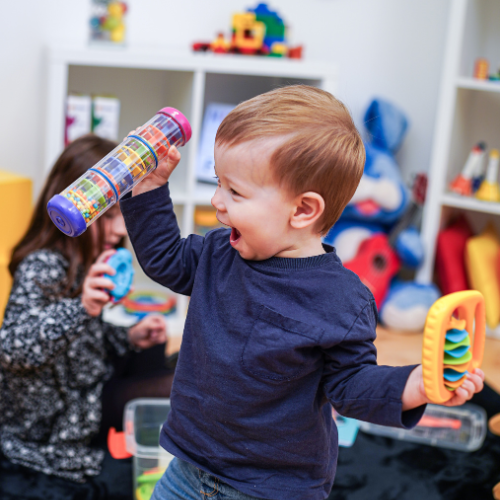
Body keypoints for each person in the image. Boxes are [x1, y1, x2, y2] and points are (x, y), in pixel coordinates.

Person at [120, 86, 484, 500]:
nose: (217, 201)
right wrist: (148, 187)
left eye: (235, 191)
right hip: (189, 467)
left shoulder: (343, 301)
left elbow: (350, 385)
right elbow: (165, 257)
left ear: (303, 210)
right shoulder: (220, 252)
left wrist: (415, 385)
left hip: (273, 489)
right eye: (219, 183)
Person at [0, 135, 175, 499]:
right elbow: (13, 349)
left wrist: (128, 336)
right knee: (177, 387)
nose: (119, 229)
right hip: (59, 421)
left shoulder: (85, 261)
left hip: (87, 390)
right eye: (107, 216)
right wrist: (82, 306)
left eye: (122, 215)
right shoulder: (43, 265)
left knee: (164, 358)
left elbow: (83, 341)